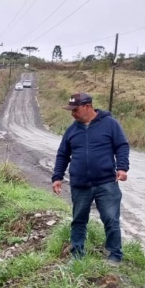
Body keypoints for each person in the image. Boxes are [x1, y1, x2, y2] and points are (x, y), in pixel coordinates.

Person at [51, 92, 130, 262]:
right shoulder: (72, 130)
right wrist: (57, 177)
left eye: (76, 110)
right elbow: (63, 154)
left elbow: (122, 146)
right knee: (78, 220)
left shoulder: (110, 124)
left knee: (111, 219)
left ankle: (115, 255)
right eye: (71, 110)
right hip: (80, 184)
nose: (73, 113)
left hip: (106, 182)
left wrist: (122, 168)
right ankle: (77, 254)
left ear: (88, 107)